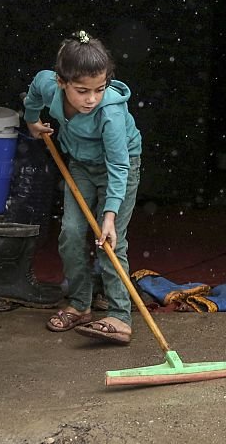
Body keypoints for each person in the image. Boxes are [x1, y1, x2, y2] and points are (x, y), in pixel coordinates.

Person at [23, 31, 143, 345]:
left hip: (120, 169)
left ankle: (120, 314)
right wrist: (32, 121)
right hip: (80, 165)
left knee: (110, 242)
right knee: (71, 233)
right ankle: (80, 303)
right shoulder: (50, 86)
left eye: (99, 89)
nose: (91, 99)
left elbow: (119, 167)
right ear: (62, 82)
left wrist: (109, 217)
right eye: (82, 91)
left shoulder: (111, 115)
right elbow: (35, 90)